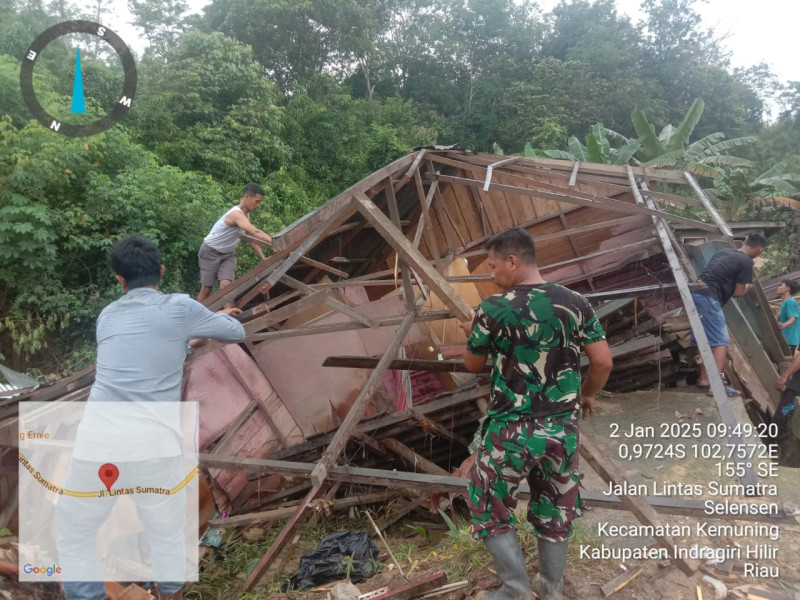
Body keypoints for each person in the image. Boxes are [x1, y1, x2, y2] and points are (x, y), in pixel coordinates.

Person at [57, 235, 245, 600]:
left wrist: (184, 338)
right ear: (160, 271)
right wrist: (210, 320)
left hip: (98, 443)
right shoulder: (179, 307)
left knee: (76, 530)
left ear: (119, 280)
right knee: (166, 531)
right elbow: (235, 331)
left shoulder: (107, 316)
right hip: (154, 447)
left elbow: (141, 351)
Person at [458, 228, 612, 600]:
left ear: (512, 261)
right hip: (562, 429)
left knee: (487, 502)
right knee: (556, 509)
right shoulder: (576, 302)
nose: (492, 275)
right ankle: (551, 591)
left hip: (511, 431)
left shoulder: (493, 309)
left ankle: (515, 592)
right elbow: (603, 361)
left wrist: (475, 332)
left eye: (493, 266)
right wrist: (587, 395)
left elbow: (472, 364)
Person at [690, 232, 767, 396]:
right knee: (720, 341)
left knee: (702, 338)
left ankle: (704, 379)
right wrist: (748, 287)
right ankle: (716, 387)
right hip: (709, 298)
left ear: (745, 242)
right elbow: (739, 292)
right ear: (759, 250)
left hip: (695, 294)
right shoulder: (746, 261)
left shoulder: (724, 251)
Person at [197, 182, 273, 301]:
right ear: (247, 197)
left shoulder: (246, 217)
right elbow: (255, 232)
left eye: (260, 202)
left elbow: (251, 238)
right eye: (257, 201)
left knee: (226, 286)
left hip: (228, 254)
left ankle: (229, 315)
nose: (258, 205)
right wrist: (277, 242)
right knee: (207, 289)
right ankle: (196, 317)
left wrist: (262, 257)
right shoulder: (235, 214)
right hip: (210, 251)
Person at [777, 279, 800, 354]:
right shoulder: (785, 303)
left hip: (791, 341)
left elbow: (792, 319)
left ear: (788, 289)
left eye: (781, 285)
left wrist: (783, 325)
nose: (778, 287)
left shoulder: (790, 302)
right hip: (786, 340)